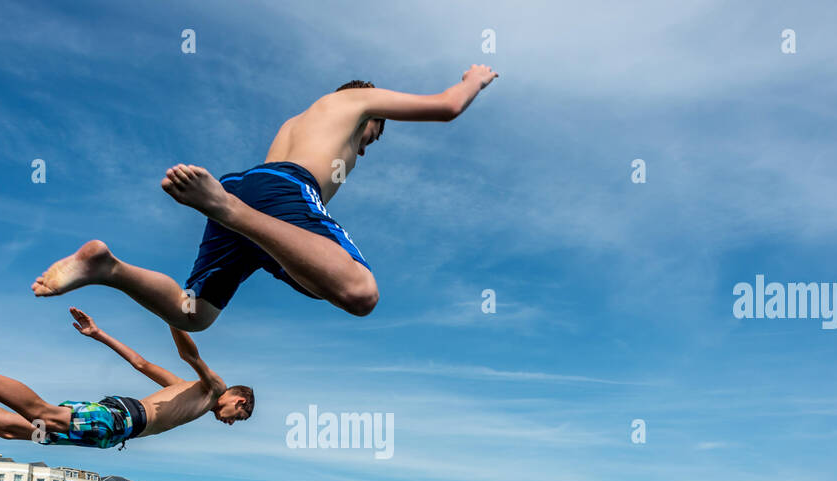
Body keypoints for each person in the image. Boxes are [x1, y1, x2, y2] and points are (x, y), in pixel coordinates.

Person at [30, 67, 499, 329]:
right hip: (276, 191)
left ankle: (108, 267)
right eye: (372, 136)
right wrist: (474, 78)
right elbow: (448, 106)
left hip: (249, 189)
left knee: (195, 314)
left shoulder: (293, 123)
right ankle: (224, 209)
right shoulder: (355, 101)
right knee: (361, 292)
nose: (366, 146)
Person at [0, 311, 253, 449]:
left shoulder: (188, 392)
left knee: (7, 429)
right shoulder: (212, 387)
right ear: (234, 396)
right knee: (42, 414)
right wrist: (173, 315)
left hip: (111, 433)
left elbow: (143, 364)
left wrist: (99, 334)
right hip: (120, 420)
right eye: (241, 412)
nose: (234, 420)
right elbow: (190, 353)